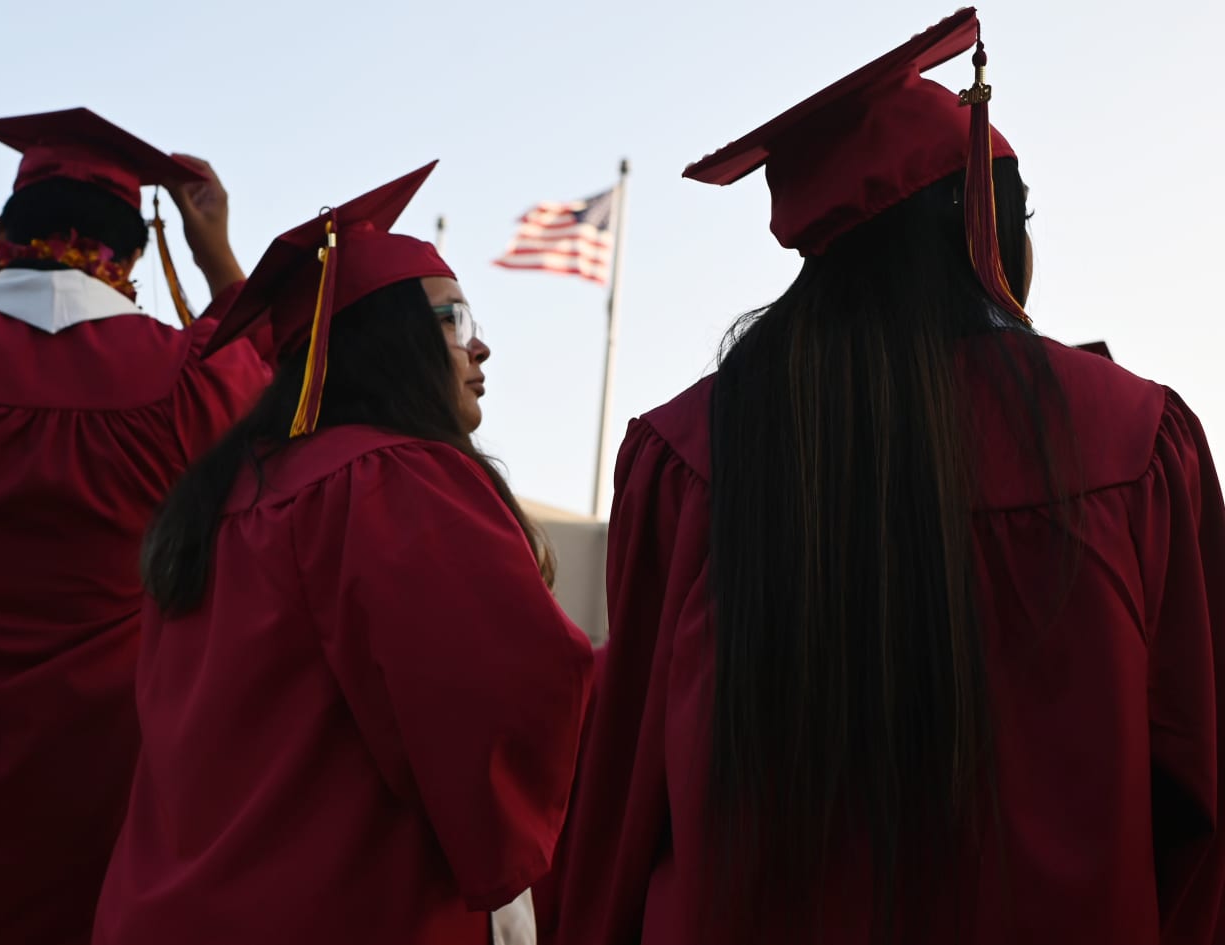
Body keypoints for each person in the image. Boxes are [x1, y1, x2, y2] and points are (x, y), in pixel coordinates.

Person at [542, 8, 1225, 945]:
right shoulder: (1135, 443)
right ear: (984, 227)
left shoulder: (691, 455)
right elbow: (1198, 785)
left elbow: (622, 798)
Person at [92, 164, 595, 945]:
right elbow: (505, 697)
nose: (483, 347)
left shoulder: (216, 501)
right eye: (456, 321)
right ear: (390, 343)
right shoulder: (390, 483)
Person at [0, 108, 271, 944]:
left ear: (0, 231)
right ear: (133, 251)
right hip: (99, 780)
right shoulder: (185, 378)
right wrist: (217, 256)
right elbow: (273, 370)